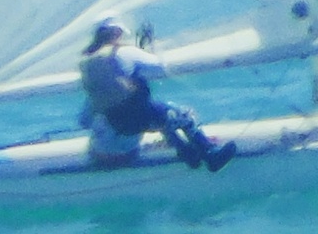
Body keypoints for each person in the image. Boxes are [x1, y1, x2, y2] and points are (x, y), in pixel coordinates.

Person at [78, 20, 236, 171]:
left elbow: (84, 121)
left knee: (159, 117)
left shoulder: (91, 63)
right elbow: (160, 66)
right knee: (183, 116)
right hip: (135, 127)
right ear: (117, 32)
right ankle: (210, 153)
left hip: (114, 130)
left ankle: (186, 152)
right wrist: (152, 47)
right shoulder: (125, 52)